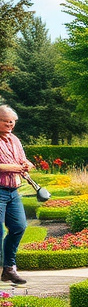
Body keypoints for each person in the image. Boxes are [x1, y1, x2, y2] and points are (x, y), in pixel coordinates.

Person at [0, 105, 31, 286]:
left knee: (19, 226)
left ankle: (8, 269)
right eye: (6, 121)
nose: (11, 124)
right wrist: (14, 168)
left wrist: (26, 164)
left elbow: (21, 160)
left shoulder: (14, 140)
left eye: (12, 121)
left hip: (13, 191)